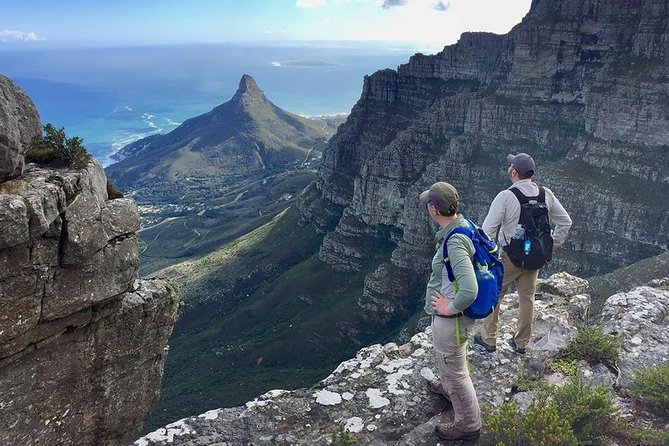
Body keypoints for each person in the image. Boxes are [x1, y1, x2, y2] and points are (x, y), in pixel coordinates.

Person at [474, 153, 572, 354]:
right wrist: (553, 244)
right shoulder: (546, 194)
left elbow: (487, 230)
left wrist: (487, 256)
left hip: (509, 257)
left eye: (510, 165)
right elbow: (565, 221)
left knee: (496, 295)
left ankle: (489, 338)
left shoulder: (506, 196)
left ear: (513, 171)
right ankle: (521, 343)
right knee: (527, 298)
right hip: (535, 257)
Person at [420, 181, 481, 442]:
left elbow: (469, 289)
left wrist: (449, 307)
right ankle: (447, 388)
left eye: (428, 204)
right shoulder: (465, 226)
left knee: (456, 372)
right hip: (456, 319)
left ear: (433, 209)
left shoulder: (455, 241)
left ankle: (468, 425)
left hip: (452, 321)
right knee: (452, 366)